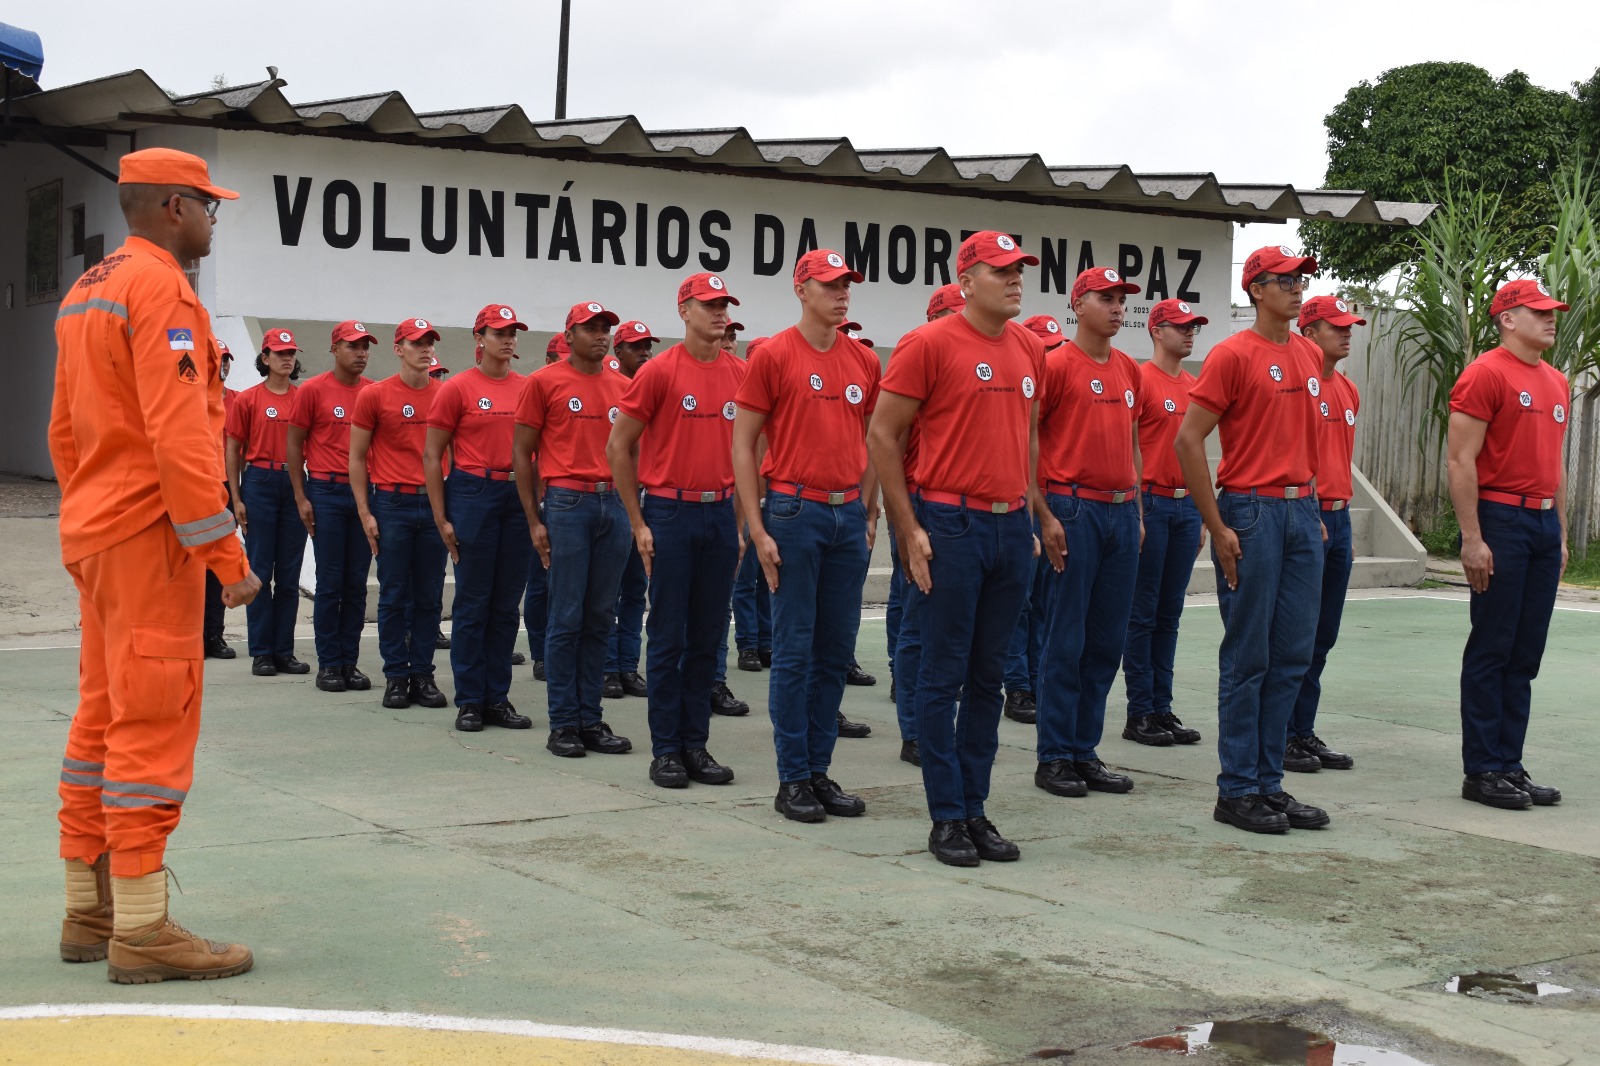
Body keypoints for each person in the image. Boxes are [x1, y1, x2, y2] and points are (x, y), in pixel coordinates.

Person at [50, 146, 259, 982]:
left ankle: (89, 908)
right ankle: (141, 931)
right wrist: (226, 555)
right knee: (151, 721)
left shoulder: (85, 291)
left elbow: (64, 430)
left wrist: (85, 519)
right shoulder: (163, 289)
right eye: (209, 204)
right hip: (150, 538)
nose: (213, 219)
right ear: (175, 207)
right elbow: (180, 436)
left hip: (98, 534)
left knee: (100, 718)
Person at [867, 231, 1045, 866]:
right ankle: (946, 814)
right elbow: (883, 435)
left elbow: (1027, 438)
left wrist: (1030, 513)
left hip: (1008, 527)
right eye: (1001, 270)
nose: (1015, 279)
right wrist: (908, 527)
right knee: (942, 677)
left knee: (988, 677)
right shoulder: (928, 344)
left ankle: (975, 807)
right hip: (950, 524)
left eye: (1019, 269)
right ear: (966, 282)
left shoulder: (1029, 347)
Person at [1174, 245, 1330, 834]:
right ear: (1256, 290)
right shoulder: (1233, 354)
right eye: (1283, 281)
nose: (1296, 288)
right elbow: (1188, 440)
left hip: (1300, 510)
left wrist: (1311, 502)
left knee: (1292, 654)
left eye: (1300, 279)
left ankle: (1269, 782)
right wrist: (1217, 526)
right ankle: (1237, 788)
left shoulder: (1309, 353)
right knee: (1249, 656)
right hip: (1252, 511)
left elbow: (1305, 436)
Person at [734, 249, 880, 822]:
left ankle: (819, 770)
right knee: (795, 649)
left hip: (846, 515)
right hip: (794, 510)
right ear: (801, 290)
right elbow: (744, 443)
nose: (842, 294)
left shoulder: (863, 360)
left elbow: (874, 439)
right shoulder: (774, 354)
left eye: (846, 285)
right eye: (830, 285)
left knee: (835, 650)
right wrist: (757, 524)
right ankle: (792, 777)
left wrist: (868, 510)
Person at [607, 272, 745, 790]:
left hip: (720, 513)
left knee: (708, 636)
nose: (720, 313)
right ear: (684, 310)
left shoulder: (741, 373)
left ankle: (695, 744)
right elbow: (618, 446)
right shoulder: (659, 372)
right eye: (709, 305)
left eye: (724, 304)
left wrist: (740, 523)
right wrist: (637, 520)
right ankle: (666, 749)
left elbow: (751, 449)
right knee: (668, 636)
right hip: (670, 511)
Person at [1447, 279, 1571, 810]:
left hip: (1541, 525)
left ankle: (1509, 763)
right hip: (1500, 519)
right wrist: (1472, 537)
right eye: (1538, 311)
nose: (1550, 318)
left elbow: (1555, 466)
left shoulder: (1557, 381)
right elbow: (1460, 460)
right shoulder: (1486, 373)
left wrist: (1560, 534)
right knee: (1493, 646)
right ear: (1507, 319)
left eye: (1552, 311)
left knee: (1525, 652)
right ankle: (1482, 770)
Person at [1033, 269, 1145, 800]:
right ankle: (1054, 755)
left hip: (1120, 513)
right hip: (1073, 508)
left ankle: (1084, 749)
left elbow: (1133, 443)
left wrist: (1137, 511)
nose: (1118, 307)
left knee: (1105, 641)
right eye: (1106, 298)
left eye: (1122, 299)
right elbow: (1028, 438)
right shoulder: (1055, 365)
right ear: (1078, 304)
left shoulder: (1129, 369)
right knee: (1066, 637)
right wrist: (1044, 514)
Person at [515, 301, 634, 757]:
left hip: (613, 503)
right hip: (567, 503)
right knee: (566, 616)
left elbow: (634, 451)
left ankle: (591, 718)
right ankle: (564, 723)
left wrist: (632, 510)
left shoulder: (623, 386)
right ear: (569, 336)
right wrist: (534, 519)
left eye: (606, 328)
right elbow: (522, 453)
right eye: (591, 328)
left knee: (601, 614)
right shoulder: (544, 382)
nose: (601, 335)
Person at [425, 305, 533, 732]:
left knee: (506, 604)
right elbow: (432, 455)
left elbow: (537, 449)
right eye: (499, 333)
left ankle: (497, 698)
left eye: (512, 333)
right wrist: (441, 516)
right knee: (473, 602)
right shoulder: (457, 388)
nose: (507, 340)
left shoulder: (527, 388)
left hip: (517, 494)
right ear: (479, 338)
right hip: (473, 492)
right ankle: (470, 700)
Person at [350, 318, 450, 711]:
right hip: (392, 503)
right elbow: (357, 457)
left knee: (429, 595)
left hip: (435, 502)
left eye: (429, 342)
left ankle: (422, 673)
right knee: (393, 594)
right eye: (416, 343)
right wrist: (365, 511)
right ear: (398, 349)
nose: (425, 349)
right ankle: (396, 675)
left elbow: (455, 453)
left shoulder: (445, 394)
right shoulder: (375, 395)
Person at [1121, 299, 1208, 747]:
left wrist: (1203, 512)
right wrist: (1135, 511)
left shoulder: (1194, 386)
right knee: (1143, 612)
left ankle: (1161, 706)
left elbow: (1197, 451)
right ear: (1156, 330)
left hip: (1185, 506)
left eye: (1193, 326)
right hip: (1151, 503)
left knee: (1169, 613)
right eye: (1180, 326)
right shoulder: (1140, 379)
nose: (1189, 333)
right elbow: (1129, 447)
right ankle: (1139, 712)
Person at [1285, 296, 1366, 771]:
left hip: (1338, 517)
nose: (1347, 332)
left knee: (1323, 634)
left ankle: (1302, 730)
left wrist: (1343, 523)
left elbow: (1339, 459)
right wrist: (1310, 509)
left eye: (1349, 325)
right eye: (1337, 326)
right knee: (1295, 633)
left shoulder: (1348, 390)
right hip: (1306, 513)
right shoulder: (1301, 387)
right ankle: (1281, 734)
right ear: (1309, 333)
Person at [887, 284, 966, 766]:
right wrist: (902, 522)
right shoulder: (919, 354)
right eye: (953, 313)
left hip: (964, 511)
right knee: (917, 619)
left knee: (955, 627)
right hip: (920, 502)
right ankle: (915, 731)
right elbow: (889, 442)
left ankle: (939, 724)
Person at [287, 321, 375, 693]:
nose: (361, 353)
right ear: (335, 348)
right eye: (353, 346)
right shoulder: (313, 390)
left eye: (365, 347)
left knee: (356, 583)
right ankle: (329, 664)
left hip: (364, 494)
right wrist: (301, 496)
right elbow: (294, 445)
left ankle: (349, 662)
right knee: (330, 582)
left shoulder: (373, 392)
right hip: (326, 491)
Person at [226, 328, 309, 677]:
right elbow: (233, 447)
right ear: (265, 358)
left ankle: (284, 651)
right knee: (260, 570)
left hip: (294, 482)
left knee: (289, 574)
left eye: (290, 353)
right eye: (279, 353)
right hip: (260, 481)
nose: (286, 358)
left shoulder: (304, 399)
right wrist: (236, 496)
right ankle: (261, 651)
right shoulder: (248, 400)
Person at [1001, 313, 1067, 727]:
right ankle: (1017, 685)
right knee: (1019, 603)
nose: (1052, 355)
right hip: (1024, 503)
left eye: (1056, 347)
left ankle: (1037, 680)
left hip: (1054, 505)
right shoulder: (1023, 389)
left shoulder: (1056, 386)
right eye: (1045, 348)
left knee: (1045, 602)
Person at [602, 319, 658, 701]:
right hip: (611, 499)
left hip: (646, 498)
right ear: (618, 351)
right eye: (636, 347)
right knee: (610, 590)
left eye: (647, 346)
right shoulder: (612, 389)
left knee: (636, 588)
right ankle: (607, 667)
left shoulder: (653, 389)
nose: (644, 353)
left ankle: (627, 665)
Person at [203, 341, 239, 660]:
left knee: (217, 566)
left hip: (226, 488)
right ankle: (191, 634)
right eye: (218, 359)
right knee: (191, 567)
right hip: (196, 487)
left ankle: (214, 635)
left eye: (226, 359)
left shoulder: (238, 401)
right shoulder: (188, 400)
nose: (222, 364)